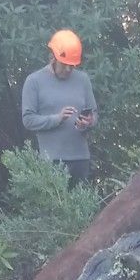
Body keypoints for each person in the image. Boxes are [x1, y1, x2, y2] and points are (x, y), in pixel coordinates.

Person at [20, 29, 97, 185]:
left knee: (82, 208)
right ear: (53, 57)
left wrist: (88, 122)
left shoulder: (83, 80)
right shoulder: (34, 81)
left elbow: (94, 114)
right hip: (51, 161)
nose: (68, 70)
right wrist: (57, 119)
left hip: (80, 159)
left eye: (72, 66)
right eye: (65, 65)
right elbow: (28, 120)